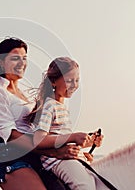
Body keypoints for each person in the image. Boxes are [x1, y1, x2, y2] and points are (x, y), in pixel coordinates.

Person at [0, 37, 82, 190]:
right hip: (8, 156)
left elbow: (43, 129)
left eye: (24, 58)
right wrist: (53, 151)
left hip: (34, 155)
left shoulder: (25, 94)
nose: (22, 63)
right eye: (15, 58)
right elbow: (10, 135)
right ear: (1, 62)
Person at [29, 57, 103, 190]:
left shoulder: (61, 106)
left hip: (67, 158)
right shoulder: (49, 105)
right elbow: (38, 139)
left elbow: (60, 137)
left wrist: (90, 142)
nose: (74, 85)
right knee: (85, 186)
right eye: (69, 81)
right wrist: (73, 136)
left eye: (77, 80)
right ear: (53, 82)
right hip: (56, 161)